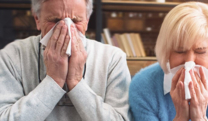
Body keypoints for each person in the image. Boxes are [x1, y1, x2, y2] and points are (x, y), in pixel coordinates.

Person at [0, 0, 131, 121]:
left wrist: (76, 82)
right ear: (37, 19)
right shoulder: (11, 56)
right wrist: (54, 81)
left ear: (87, 20)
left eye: (76, 20)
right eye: (55, 20)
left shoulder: (113, 58)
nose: (67, 28)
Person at [129, 2, 208, 121]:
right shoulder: (143, 86)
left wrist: (199, 118)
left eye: (200, 52)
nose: (189, 62)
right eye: (179, 51)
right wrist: (180, 118)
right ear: (166, 51)